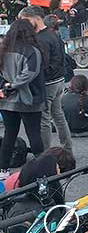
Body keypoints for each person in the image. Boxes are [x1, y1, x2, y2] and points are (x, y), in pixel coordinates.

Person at [19, 6, 71, 151]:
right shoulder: (53, 34)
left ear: (36, 18)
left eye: (26, 21)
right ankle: (67, 150)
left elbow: (42, 65)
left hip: (48, 83)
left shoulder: (41, 39)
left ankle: (45, 155)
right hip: (58, 80)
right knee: (58, 117)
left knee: (44, 120)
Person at [0, 19, 46, 179]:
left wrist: (5, 86)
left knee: (9, 135)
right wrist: (13, 84)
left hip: (6, 101)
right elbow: (30, 73)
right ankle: (42, 169)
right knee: (34, 134)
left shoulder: (3, 49)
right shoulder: (32, 51)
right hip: (29, 99)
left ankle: (3, 170)